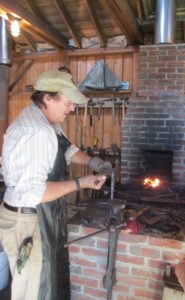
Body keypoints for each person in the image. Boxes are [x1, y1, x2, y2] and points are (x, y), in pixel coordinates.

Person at [0, 70, 112, 300]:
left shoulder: (45, 121)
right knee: (35, 289)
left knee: (39, 281)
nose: (71, 109)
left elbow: (67, 150)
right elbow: (36, 192)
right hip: (30, 219)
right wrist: (83, 182)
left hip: (35, 214)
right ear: (47, 98)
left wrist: (93, 161)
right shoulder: (38, 132)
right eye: (68, 102)